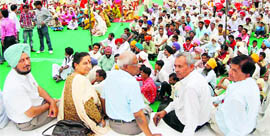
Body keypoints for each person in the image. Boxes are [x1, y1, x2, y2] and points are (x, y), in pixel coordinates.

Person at [101, 51, 161, 136]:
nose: (139, 66)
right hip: (129, 128)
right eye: (136, 64)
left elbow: (103, 98)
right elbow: (138, 115)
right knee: (146, 109)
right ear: (126, 67)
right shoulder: (131, 82)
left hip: (112, 123)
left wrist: (108, 115)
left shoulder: (110, 75)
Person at [153, 52, 212, 135]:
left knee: (162, 106)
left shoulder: (190, 87)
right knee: (166, 107)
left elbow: (191, 121)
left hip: (191, 124)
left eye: (180, 66)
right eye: (175, 66)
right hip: (203, 119)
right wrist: (165, 111)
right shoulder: (196, 77)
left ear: (191, 67)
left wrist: (165, 111)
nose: (176, 70)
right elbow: (178, 99)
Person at [2, 44, 58, 131]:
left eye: (27, 58)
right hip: (28, 121)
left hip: (36, 106)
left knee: (61, 102)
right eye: (21, 60)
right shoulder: (15, 85)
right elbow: (31, 113)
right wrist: (51, 104)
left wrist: (51, 101)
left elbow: (38, 88)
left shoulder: (24, 71)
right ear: (13, 64)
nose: (27, 63)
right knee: (65, 107)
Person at [58, 52, 109, 136]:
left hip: (67, 119)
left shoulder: (69, 77)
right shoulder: (82, 80)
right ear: (76, 65)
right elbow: (88, 105)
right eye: (85, 63)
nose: (89, 66)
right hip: (81, 121)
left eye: (90, 63)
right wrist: (100, 120)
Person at [210, 55, 260, 136]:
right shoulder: (247, 82)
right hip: (228, 120)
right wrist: (211, 100)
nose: (230, 72)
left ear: (247, 74)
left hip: (225, 128)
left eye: (235, 70)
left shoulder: (238, 95)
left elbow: (235, 127)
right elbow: (225, 96)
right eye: (230, 68)